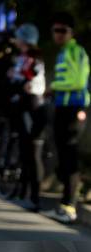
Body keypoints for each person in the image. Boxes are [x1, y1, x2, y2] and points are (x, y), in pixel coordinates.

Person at [42, 12, 89, 224]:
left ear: (71, 32)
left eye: (63, 30)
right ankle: (65, 205)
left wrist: (53, 87)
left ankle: (69, 207)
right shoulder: (63, 53)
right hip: (62, 108)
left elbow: (79, 82)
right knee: (63, 155)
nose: (59, 34)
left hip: (74, 108)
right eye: (56, 30)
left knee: (70, 157)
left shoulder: (76, 52)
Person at [8, 23, 46, 212]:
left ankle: (34, 197)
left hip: (32, 106)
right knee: (25, 150)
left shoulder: (34, 58)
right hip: (24, 105)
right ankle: (23, 193)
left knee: (32, 152)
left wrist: (17, 81)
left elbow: (26, 81)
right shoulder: (24, 57)